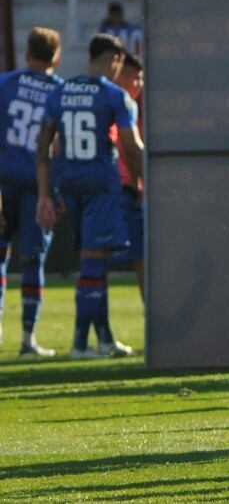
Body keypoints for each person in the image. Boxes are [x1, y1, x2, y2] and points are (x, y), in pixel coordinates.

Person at [35, 34, 142, 360]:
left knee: (97, 264)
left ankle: (105, 339)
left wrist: (45, 194)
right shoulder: (114, 95)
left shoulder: (59, 92)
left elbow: (43, 147)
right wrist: (140, 179)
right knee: (92, 262)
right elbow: (131, 146)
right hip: (100, 185)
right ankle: (81, 344)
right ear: (113, 60)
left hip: (69, 184)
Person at [0, 28, 63, 356]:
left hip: (3, 180)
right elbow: (60, 147)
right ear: (56, 57)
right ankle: (28, 339)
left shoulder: (5, 83)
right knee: (32, 258)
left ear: (27, 55)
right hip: (38, 185)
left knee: (1, 255)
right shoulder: (60, 91)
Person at [108, 52, 147, 299]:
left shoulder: (111, 102)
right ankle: (150, 316)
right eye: (136, 77)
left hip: (110, 189)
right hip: (124, 190)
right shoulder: (121, 103)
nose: (139, 84)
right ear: (122, 74)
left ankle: (100, 329)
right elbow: (131, 149)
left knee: (95, 256)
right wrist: (141, 180)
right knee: (141, 257)